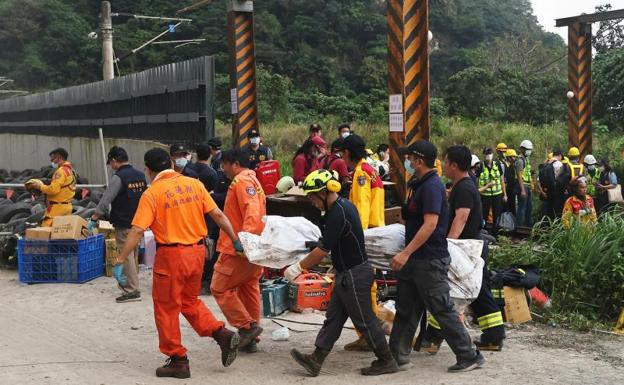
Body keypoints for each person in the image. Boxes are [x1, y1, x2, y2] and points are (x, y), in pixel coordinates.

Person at [116, 148, 242, 379]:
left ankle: (178, 360)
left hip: (171, 257)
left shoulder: (152, 193)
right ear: (172, 164)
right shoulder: (194, 184)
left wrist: (121, 259)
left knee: (166, 308)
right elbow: (219, 215)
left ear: (148, 169)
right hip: (197, 254)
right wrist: (235, 239)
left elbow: (136, 230)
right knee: (189, 301)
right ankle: (221, 334)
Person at [285, 170, 399, 377]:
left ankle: (386, 360)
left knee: (365, 320)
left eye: (312, 196)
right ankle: (316, 359)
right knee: (334, 318)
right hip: (347, 275)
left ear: (325, 192)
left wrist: (297, 268)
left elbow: (322, 251)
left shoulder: (339, 212)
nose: (311, 201)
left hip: (355, 275)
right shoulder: (338, 208)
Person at [389, 140, 484, 373]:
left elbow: (431, 224)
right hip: (416, 259)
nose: (407, 162)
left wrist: (405, 253)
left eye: (410, 158)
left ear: (419, 161)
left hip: (428, 260)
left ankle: (468, 355)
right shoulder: (418, 183)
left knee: (441, 309)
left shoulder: (432, 186)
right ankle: (395, 358)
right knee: (406, 309)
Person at [418, 145, 505, 354]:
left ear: (454, 165)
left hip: (465, 248)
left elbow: (461, 217)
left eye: (446, 162)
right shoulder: (463, 185)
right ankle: (494, 335)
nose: (444, 165)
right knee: (480, 292)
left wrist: (448, 245)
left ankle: (432, 339)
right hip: (472, 247)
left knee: (450, 293)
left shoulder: (465, 187)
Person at [211, 148, 266, 354]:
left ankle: (247, 328)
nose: (223, 169)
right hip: (252, 246)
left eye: (224, 164)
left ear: (234, 163)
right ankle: (251, 336)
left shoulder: (241, 182)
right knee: (248, 287)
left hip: (239, 248)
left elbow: (251, 211)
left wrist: (244, 241)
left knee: (219, 287)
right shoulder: (253, 180)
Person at [91, 146, 147, 303]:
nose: (111, 166)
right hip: (139, 222)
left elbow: (106, 200)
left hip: (124, 223)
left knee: (126, 255)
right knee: (134, 254)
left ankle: (131, 290)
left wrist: (94, 217)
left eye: (111, 163)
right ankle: (134, 284)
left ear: (115, 160)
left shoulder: (119, 177)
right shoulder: (140, 175)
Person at [191, 143, 221, 293]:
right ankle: (205, 280)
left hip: (190, 213)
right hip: (207, 214)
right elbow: (214, 196)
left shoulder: (189, 171)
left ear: (196, 154)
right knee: (208, 246)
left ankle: (194, 278)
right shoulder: (212, 173)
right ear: (210, 155)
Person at [341, 134, 385, 229]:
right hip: (377, 226)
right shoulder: (369, 170)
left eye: (342, 154)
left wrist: (360, 232)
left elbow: (362, 204)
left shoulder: (360, 172)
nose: (342, 158)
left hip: (368, 229)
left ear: (347, 153)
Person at [25, 148, 77, 227]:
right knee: (61, 233)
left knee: (45, 230)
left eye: (53, 159)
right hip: (68, 206)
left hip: (57, 208)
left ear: (59, 157)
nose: (52, 162)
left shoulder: (61, 171)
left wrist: (40, 187)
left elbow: (53, 190)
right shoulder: (72, 171)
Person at [477, 148, 507, 236]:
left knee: (496, 215)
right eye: (487, 154)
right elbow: (477, 181)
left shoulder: (497, 164)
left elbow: (502, 180)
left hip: (497, 194)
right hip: (485, 195)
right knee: (484, 215)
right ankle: (483, 233)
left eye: (490, 154)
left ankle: (495, 234)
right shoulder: (481, 166)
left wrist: (505, 194)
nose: (488, 156)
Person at [515, 140, 534, 227]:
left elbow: (528, 173)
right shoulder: (520, 160)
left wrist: (531, 184)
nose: (529, 151)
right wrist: (522, 190)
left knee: (529, 207)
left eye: (530, 149)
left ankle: (528, 226)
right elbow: (519, 176)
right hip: (523, 187)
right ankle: (519, 226)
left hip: (527, 186)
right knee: (522, 208)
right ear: (522, 149)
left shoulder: (526, 159)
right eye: (527, 149)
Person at [504, 149, 518, 214]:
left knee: (513, 207)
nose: (514, 158)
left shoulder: (513, 166)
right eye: (513, 157)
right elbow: (506, 180)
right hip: (509, 190)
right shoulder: (508, 167)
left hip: (513, 190)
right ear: (509, 157)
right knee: (510, 207)